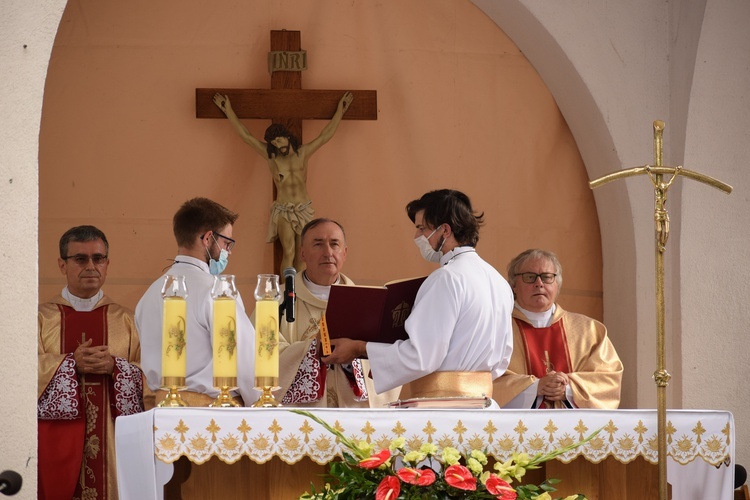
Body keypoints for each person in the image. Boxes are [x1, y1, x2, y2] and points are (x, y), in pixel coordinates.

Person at [322, 189, 514, 405]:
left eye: (422, 228)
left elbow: (422, 357)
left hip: (443, 407)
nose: (417, 237)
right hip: (485, 405)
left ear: (445, 230)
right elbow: (504, 357)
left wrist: (359, 348)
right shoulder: (498, 281)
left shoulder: (446, 278)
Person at [38, 225, 144, 500]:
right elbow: (20, 373)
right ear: (62, 265)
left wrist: (116, 368)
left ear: (107, 264)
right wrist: (69, 365)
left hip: (113, 447)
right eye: (80, 259)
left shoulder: (127, 321)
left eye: (98, 258)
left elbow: (151, 380)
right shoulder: (40, 319)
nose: (91, 266)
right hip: (55, 444)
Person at [212, 91, 354, 274]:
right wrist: (229, 110)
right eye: (274, 143)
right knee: (289, 251)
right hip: (284, 209)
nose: (278, 145)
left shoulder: (303, 153)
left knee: (303, 252)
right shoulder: (272, 158)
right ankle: (284, 291)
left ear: (287, 137)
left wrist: (340, 112)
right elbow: (246, 136)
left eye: (279, 140)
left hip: (303, 208)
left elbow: (325, 135)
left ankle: (298, 291)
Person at [135, 197, 258, 407]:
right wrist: (260, 403)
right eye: (227, 243)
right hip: (211, 414)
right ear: (208, 238)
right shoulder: (217, 290)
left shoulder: (149, 294)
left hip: (162, 411)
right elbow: (244, 359)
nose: (229, 252)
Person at [265, 218, 400, 407]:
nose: (328, 252)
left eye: (334, 244)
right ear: (302, 253)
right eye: (318, 244)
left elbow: (390, 358)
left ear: (344, 253)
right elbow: (260, 355)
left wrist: (354, 352)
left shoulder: (369, 301)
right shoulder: (274, 301)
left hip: (353, 416)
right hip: (299, 421)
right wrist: (313, 348)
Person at [493, 249, 623, 409]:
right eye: (529, 277)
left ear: (557, 285)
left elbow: (608, 379)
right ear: (513, 285)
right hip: (517, 430)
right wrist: (535, 387)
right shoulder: (496, 328)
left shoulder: (589, 330)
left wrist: (568, 389)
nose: (539, 283)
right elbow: (484, 381)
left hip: (577, 431)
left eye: (547, 277)